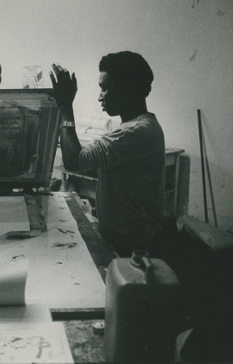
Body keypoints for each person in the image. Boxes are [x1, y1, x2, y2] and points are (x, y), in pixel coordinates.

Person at [50, 51, 165, 257]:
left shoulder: (136, 131)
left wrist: (66, 105)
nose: (99, 96)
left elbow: (73, 161)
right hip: (129, 239)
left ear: (126, 89)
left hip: (132, 247)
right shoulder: (136, 126)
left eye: (104, 89)